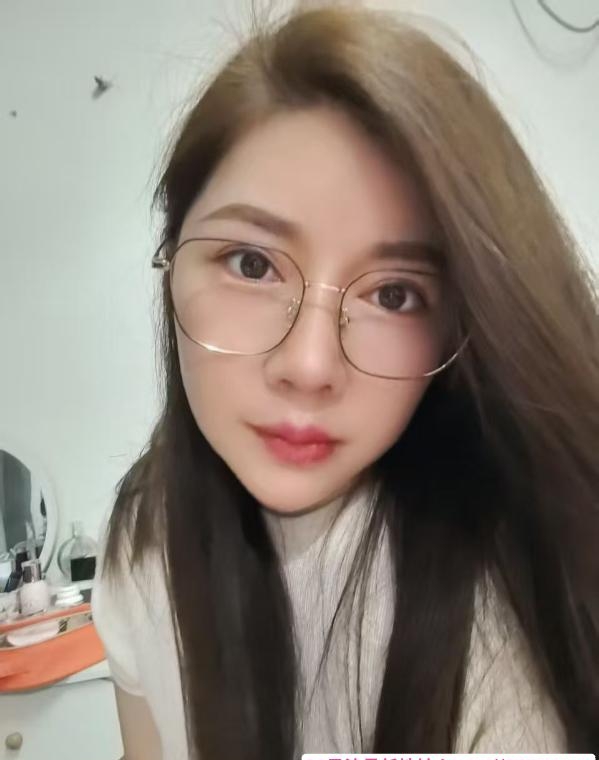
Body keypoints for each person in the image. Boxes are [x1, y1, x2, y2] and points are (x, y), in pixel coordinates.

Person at [91, 2, 599, 758]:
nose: (309, 366)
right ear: (170, 260)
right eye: (252, 264)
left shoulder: (496, 627)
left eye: (393, 294)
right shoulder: (142, 540)